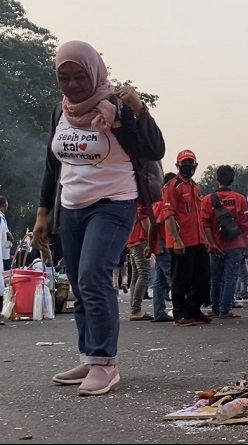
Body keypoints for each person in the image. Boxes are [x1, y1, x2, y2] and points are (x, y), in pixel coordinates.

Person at [33, 40, 164, 396]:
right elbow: (52, 165)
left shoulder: (118, 108)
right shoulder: (61, 112)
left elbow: (154, 150)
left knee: (93, 274)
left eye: (79, 76)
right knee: (77, 281)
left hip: (114, 203)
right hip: (71, 207)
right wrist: (43, 212)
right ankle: (90, 354)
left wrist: (141, 110)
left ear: (95, 72)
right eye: (65, 77)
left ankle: (106, 363)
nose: (73, 84)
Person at [162, 149, 212, 326]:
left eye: (191, 163)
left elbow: (198, 216)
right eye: (185, 163)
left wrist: (205, 240)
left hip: (198, 241)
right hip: (181, 242)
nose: (188, 166)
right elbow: (168, 215)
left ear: (196, 165)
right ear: (178, 165)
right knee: (181, 279)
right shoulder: (172, 186)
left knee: (203, 279)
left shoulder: (195, 187)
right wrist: (176, 239)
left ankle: (194, 310)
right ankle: (179, 313)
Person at [201, 165, 248, 318]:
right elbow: (244, 224)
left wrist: (212, 243)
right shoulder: (240, 199)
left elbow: (205, 223)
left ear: (217, 179)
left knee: (216, 278)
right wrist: (245, 242)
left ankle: (215, 308)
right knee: (230, 277)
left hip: (216, 244)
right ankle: (225, 309)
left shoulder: (208, 199)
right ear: (232, 179)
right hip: (235, 244)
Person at [146, 172, 177, 322]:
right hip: (164, 246)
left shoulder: (161, 202)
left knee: (159, 281)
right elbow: (154, 225)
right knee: (173, 278)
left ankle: (159, 312)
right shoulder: (163, 203)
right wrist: (150, 245)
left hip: (160, 247)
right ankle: (180, 310)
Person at [126, 205, 153, 320]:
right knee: (144, 273)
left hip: (131, 240)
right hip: (140, 240)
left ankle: (134, 308)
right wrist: (151, 240)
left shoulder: (131, 202)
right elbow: (144, 220)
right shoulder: (142, 203)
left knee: (136, 275)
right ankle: (135, 309)